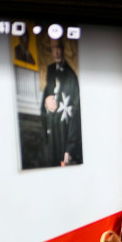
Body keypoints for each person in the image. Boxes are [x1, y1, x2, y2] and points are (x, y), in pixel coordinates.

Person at [40, 36, 82, 167]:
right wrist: (46, 102)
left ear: (63, 49)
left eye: (58, 47)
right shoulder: (50, 70)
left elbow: (76, 112)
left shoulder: (72, 77)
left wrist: (70, 147)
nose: (56, 52)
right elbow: (47, 96)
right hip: (51, 132)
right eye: (53, 48)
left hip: (64, 133)